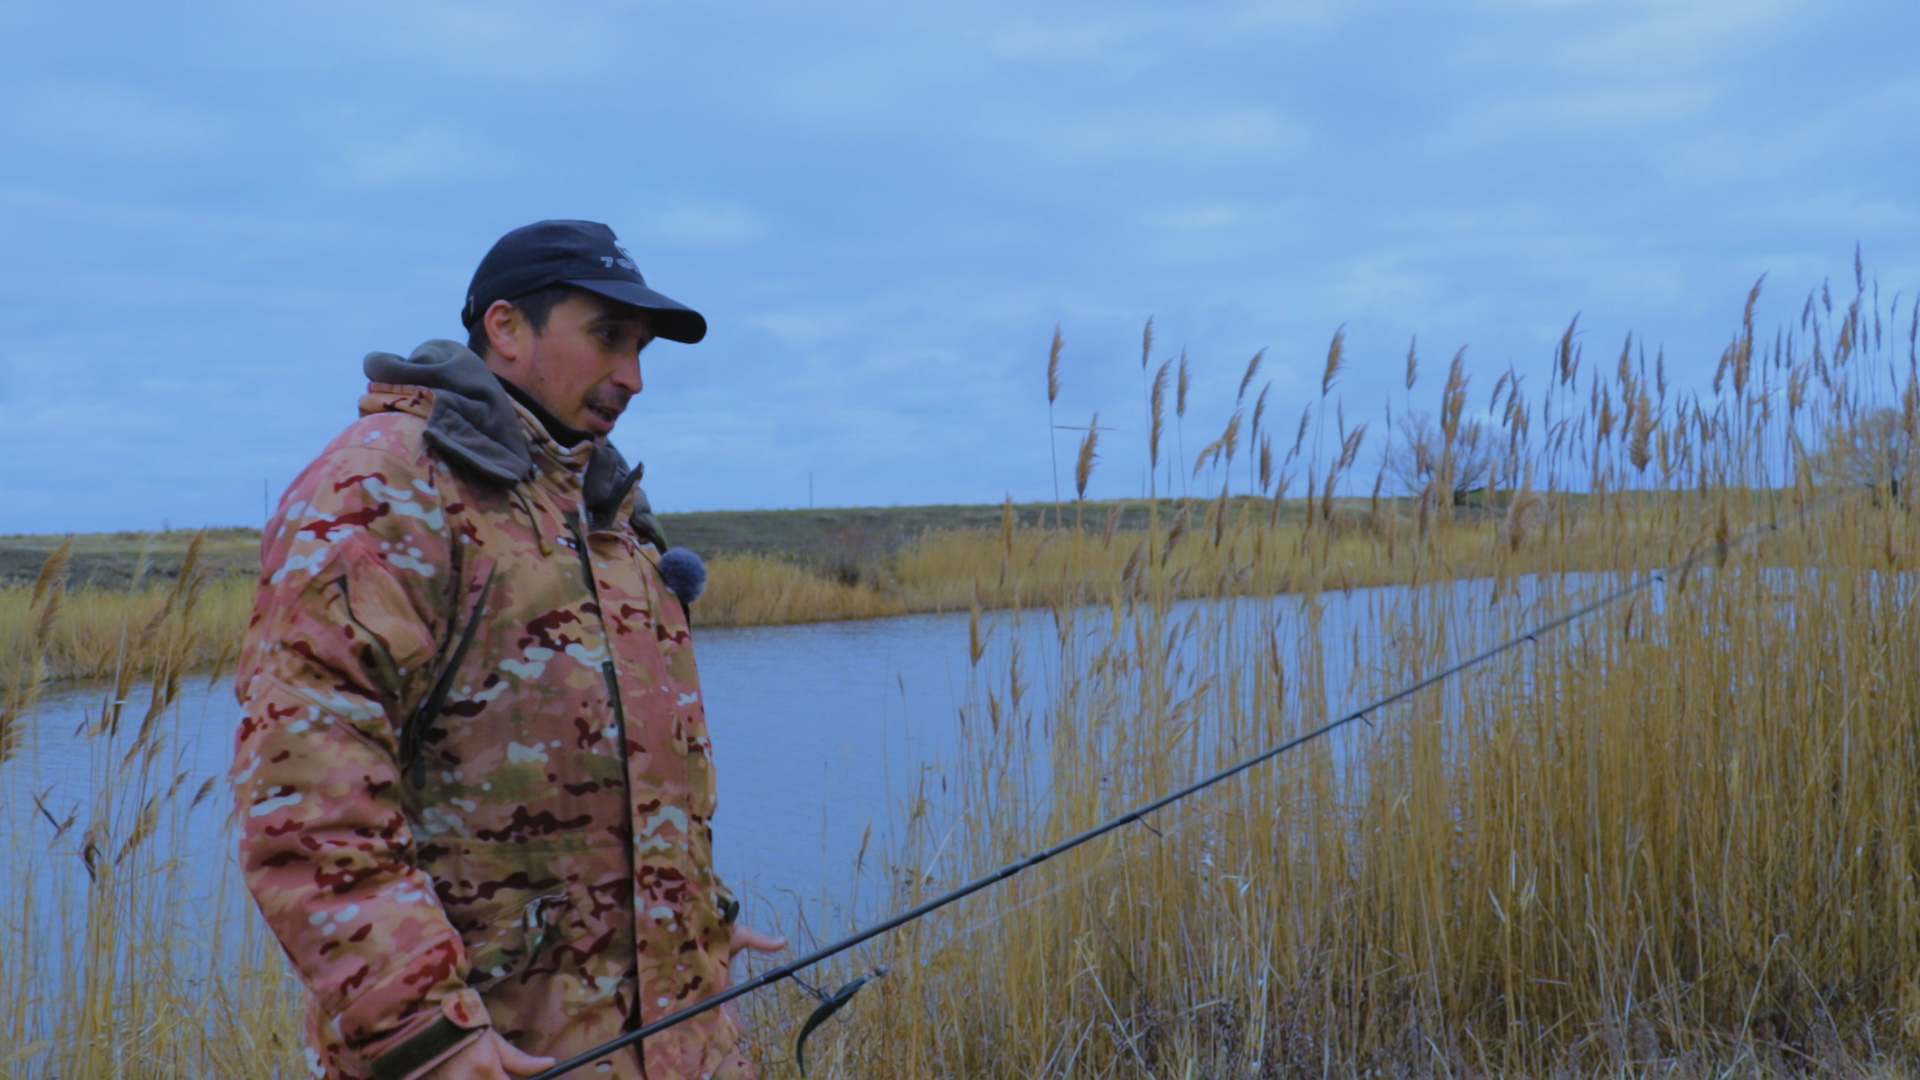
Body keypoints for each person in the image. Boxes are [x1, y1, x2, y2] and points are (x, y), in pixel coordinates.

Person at [232, 220, 782, 1080]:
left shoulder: (611, 518)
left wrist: (693, 924)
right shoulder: (386, 488)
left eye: (641, 350)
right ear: (505, 327)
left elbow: (643, 775)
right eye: (607, 338)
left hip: (673, 1044)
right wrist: (426, 1037)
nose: (633, 377)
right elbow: (305, 795)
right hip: (493, 1056)